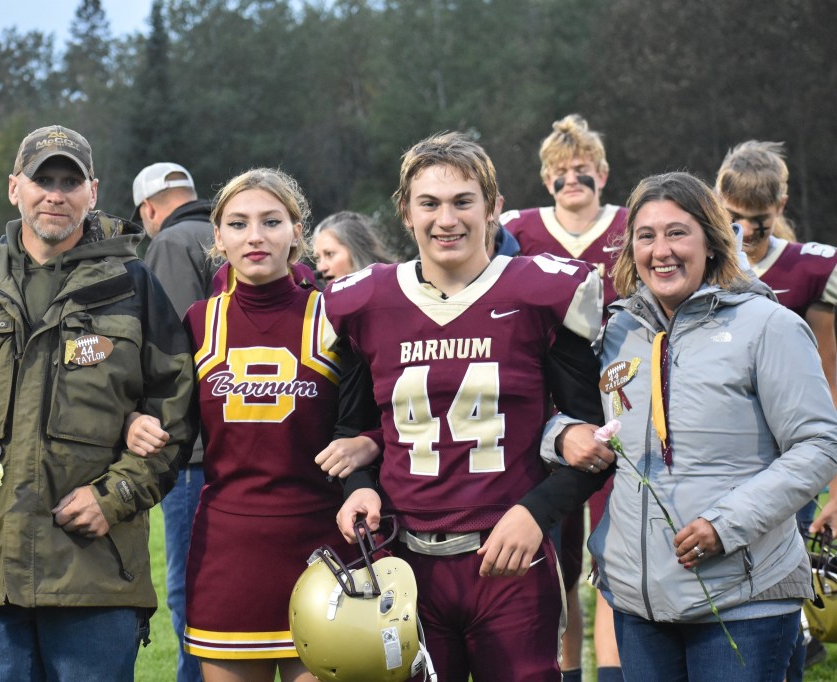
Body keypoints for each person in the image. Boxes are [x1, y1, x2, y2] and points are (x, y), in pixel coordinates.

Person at [0, 124, 197, 681]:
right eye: (43, 180)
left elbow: (176, 414)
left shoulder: (133, 288)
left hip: (95, 575)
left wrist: (116, 494)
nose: (56, 195)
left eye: (70, 181)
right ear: (15, 188)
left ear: (93, 192)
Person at [324, 132, 611, 681]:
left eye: (463, 201)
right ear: (406, 212)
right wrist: (357, 484)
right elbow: (351, 429)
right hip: (405, 562)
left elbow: (593, 441)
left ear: (493, 207)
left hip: (510, 557)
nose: (446, 219)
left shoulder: (540, 293)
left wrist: (537, 512)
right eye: (429, 203)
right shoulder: (367, 302)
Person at [555, 171, 837, 681]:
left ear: (712, 241)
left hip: (744, 600)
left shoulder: (767, 326)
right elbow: (569, 417)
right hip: (640, 604)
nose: (661, 250)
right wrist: (560, 435)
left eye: (677, 233)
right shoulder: (617, 330)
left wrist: (725, 525)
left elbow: (819, 444)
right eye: (646, 235)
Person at [179, 168, 367, 682]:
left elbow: (372, 420)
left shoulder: (335, 316)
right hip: (228, 552)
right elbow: (168, 423)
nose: (255, 236)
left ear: (296, 232)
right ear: (218, 237)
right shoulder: (198, 322)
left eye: (271, 221)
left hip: (323, 547)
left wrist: (368, 443)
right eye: (238, 224)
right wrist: (138, 423)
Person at [501, 113, 627, 681]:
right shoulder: (519, 229)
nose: (572, 180)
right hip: (551, 410)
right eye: (560, 172)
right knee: (560, 561)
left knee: (617, 555)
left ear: (604, 172)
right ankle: (568, 671)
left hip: (624, 401)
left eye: (583, 169)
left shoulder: (631, 224)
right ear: (544, 179)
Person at [715, 139, 837, 677]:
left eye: (757, 221)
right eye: (733, 218)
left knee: (781, 596)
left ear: (780, 206)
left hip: (787, 458)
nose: (743, 232)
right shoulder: (701, 261)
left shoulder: (811, 268)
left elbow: (829, 377)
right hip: (720, 452)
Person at [130, 160, 215, 682]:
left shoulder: (169, 242)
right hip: (246, 438)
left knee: (191, 586)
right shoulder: (226, 232)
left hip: (195, 447)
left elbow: (173, 351)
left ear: (148, 209)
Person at [311, 211, 395, 284]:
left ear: (357, 250)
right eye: (317, 259)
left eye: (330, 254)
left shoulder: (396, 287)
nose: (321, 268)